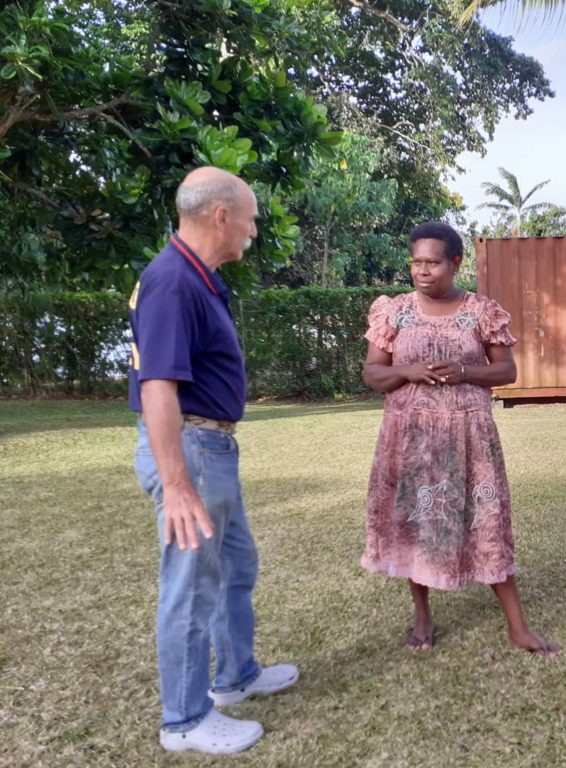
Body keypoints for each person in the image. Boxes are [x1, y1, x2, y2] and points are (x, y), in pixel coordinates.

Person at [130, 167, 298, 755]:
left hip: (212, 449)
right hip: (192, 452)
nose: (254, 230)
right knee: (192, 585)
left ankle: (235, 677)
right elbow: (157, 388)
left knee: (235, 567)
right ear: (221, 215)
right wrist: (177, 485)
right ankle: (184, 720)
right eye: (250, 218)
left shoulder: (198, 278)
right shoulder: (173, 281)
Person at [362, 221, 558, 657]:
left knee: (485, 525)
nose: (422, 271)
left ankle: (518, 627)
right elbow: (372, 373)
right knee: (416, 525)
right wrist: (406, 372)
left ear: (455, 262)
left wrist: (465, 372)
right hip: (410, 440)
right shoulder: (393, 312)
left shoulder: (482, 311)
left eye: (432, 262)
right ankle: (423, 617)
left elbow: (507, 371)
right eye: (416, 262)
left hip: (469, 439)